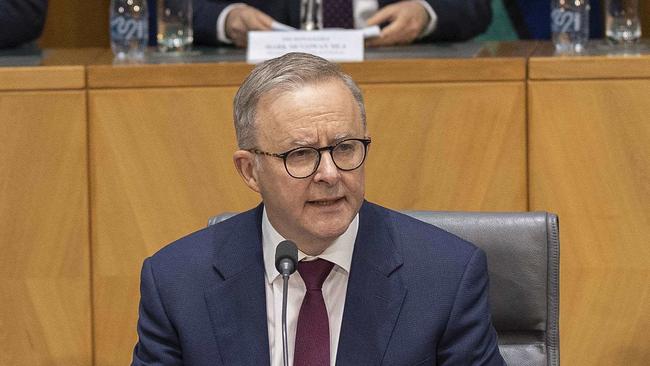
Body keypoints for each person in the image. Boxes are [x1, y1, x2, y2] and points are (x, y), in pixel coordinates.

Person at [132, 52, 505, 366]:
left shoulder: (446, 275)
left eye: (345, 148)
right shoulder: (177, 283)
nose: (329, 174)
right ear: (250, 170)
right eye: (301, 154)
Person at [193, 0, 492, 47]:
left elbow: (475, 7)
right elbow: (177, 9)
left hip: (394, 61)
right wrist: (228, 18)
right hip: (274, 67)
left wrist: (425, 13)